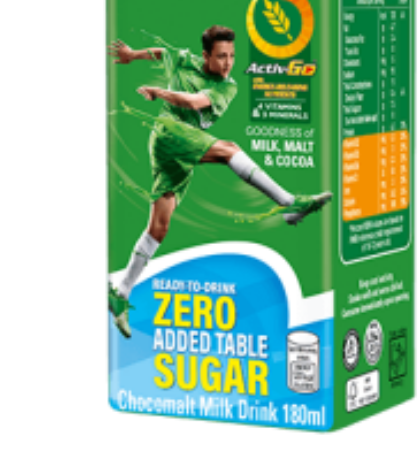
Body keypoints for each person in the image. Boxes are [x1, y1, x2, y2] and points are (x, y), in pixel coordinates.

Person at [104, 25, 331, 338]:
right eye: (221, 56)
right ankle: (289, 203)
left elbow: (194, 102)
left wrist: (160, 92)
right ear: (206, 56)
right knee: (229, 150)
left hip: (178, 147)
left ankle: (121, 293)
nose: (228, 63)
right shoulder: (186, 60)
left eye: (232, 56)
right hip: (168, 132)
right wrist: (133, 55)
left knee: (159, 228)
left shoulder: (228, 87)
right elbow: (162, 52)